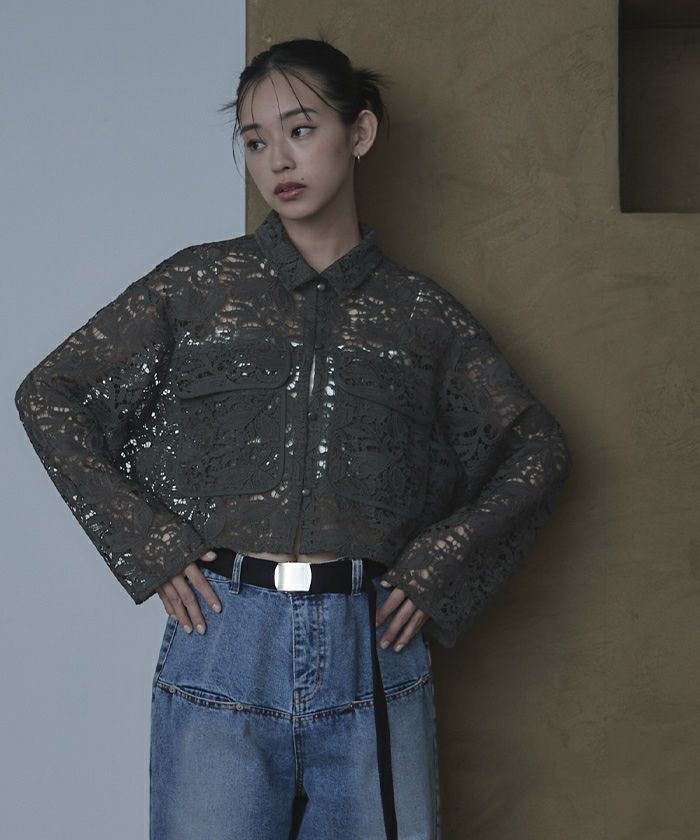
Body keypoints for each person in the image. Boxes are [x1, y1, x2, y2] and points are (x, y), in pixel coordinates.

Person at [13, 36, 572, 840]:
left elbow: (537, 449)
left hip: (372, 651)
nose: (277, 159)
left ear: (360, 132)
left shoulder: (421, 315)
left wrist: (439, 564)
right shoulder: (199, 286)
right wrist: (151, 543)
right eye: (254, 140)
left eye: (301, 130)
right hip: (222, 642)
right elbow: (51, 392)